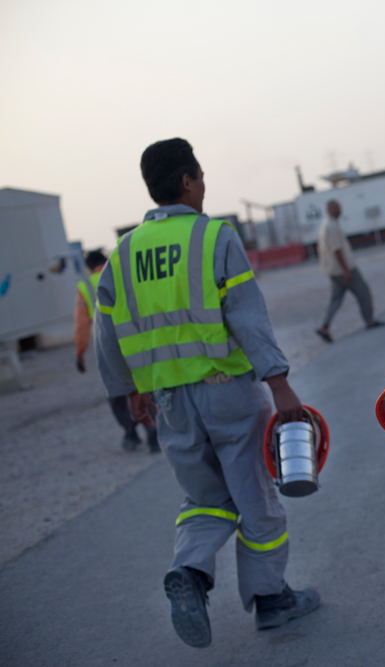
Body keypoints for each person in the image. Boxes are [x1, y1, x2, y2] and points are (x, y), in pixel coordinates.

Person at [94, 138, 320, 648]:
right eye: (201, 176)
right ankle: (271, 600)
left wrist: (129, 391)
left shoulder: (122, 255)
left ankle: (190, 574)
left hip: (169, 404)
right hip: (228, 395)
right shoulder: (213, 237)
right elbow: (245, 315)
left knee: (204, 498)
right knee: (256, 496)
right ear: (188, 181)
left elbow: (108, 336)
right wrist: (280, 383)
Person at [75, 250, 160, 453]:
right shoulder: (126, 273)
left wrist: (80, 350)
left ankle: (130, 433)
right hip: (136, 338)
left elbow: (81, 323)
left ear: (89, 266)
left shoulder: (85, 286)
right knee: (143, 385)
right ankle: (153, 434)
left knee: (116, 391)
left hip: (105, 343)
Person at [315, 199, 385, 343]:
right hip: (344, 270)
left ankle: (324, 327)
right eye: (335, 208)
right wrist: (346, 271)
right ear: (329, 210)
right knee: (363, 292)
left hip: (334, 271)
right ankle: (369, 321)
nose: (338, 210)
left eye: (339, 207)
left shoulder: (327, 224)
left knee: (336, 300)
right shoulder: (331, 227)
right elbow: (337, 250)